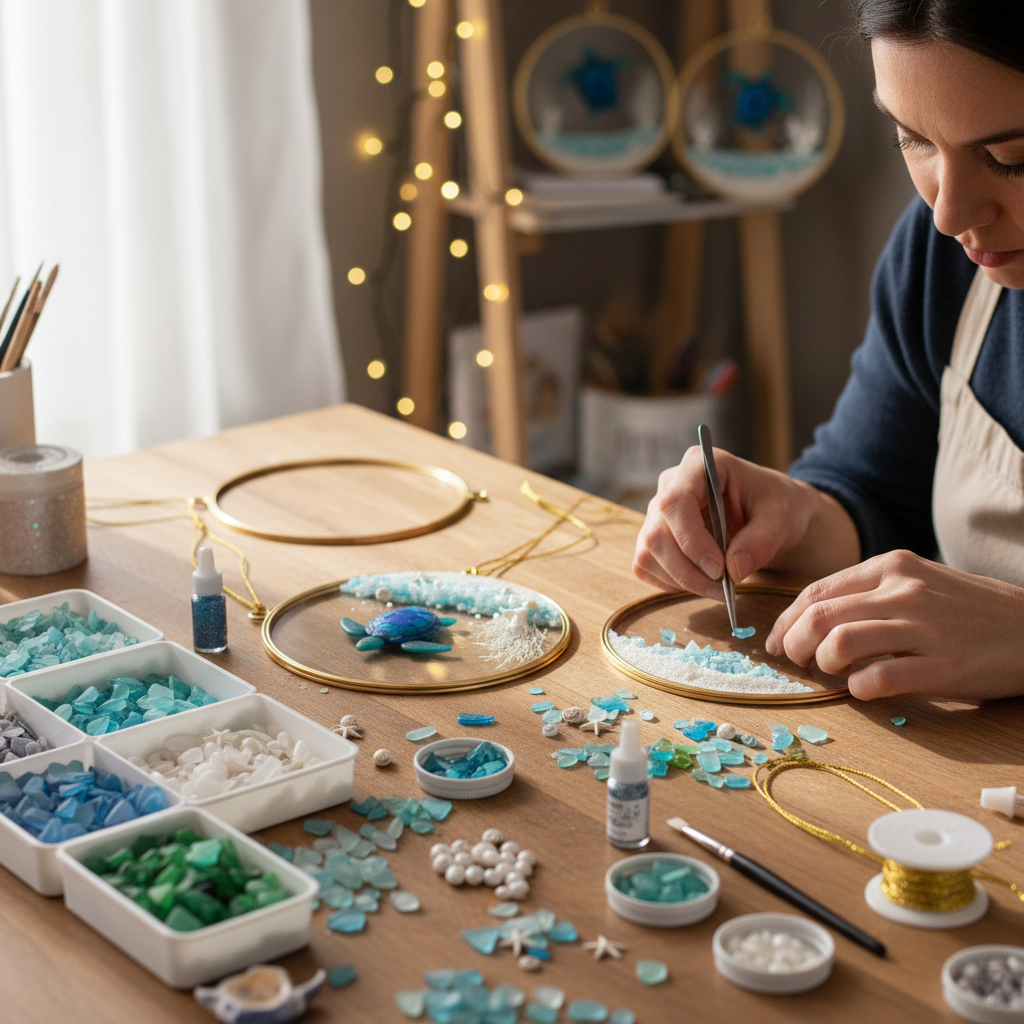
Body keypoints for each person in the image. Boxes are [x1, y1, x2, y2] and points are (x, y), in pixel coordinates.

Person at [633, 1, 1024, 701]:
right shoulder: (942, 265)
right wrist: (797, 515)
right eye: (914, 141)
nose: (948, 213)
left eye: (1011, 160)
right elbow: (876, 490)